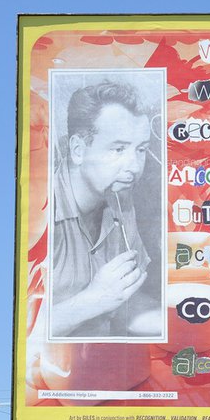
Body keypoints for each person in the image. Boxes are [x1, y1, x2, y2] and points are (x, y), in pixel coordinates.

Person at [50, 81, 159, 338]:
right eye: (118, 149)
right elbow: (21, 330)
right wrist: (93, 299)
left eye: (141, 149)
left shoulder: (120, 198)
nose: (133, 166)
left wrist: (181, 323)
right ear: (78, 150)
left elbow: (120, 304)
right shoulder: (39, 213)